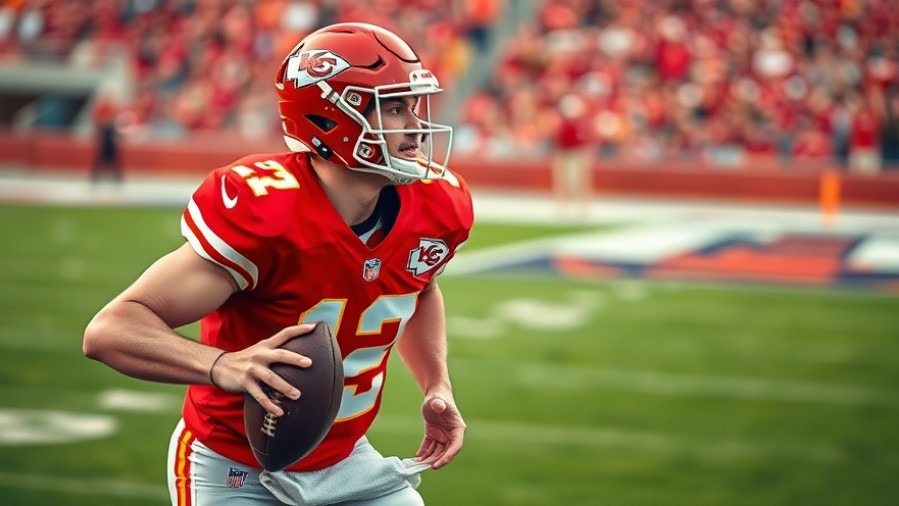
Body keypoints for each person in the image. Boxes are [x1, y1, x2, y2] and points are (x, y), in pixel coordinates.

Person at [83, 22, 473, 506]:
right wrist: (223, 365)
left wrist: (437, 385)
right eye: (395, 108)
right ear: (332, 120)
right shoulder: (267, 211)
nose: (415, 124)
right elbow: (111, 331)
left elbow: (420, 287)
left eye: (413, 106)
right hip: (235, 467)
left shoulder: (437, 204)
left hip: (346, 460)